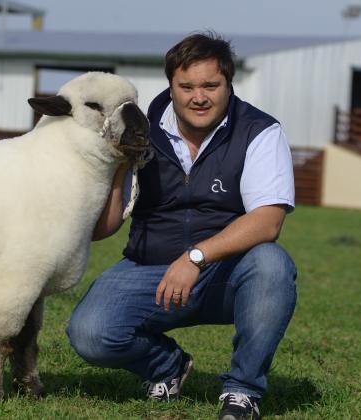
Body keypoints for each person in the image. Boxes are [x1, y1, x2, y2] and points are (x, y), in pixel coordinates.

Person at [66, 31, 297, 420]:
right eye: (186, 86)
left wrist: (195, 258)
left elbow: (267, 220)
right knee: (90, 333)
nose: (199, 96)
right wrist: (117, 163)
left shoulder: (260, 131)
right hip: (150, 267)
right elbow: (102, 228)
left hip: (227, 271)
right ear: (171, 85)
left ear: (229, 84)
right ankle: (166, 367)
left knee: (273, 265)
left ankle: (242, 393)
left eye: (211, 85)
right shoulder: (140, 128)